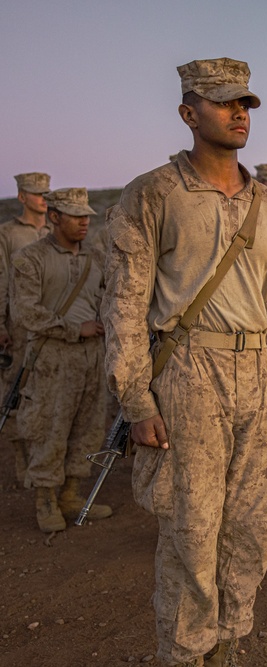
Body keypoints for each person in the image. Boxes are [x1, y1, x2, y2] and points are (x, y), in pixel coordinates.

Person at [102, 57, 267, 666]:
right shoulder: (153, 194)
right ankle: (186, 652)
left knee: (253, 526)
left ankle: (229, 641)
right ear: (188, 113)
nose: (240, 113)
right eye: (225, 102)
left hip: (256, 374)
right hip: (190, 377)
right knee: (191, 530)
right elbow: (125, 305)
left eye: (246, 104)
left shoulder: (265, 201)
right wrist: (136, 400)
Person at [11, 187, 108, 532]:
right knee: (50, 428)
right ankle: (46, 500)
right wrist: (71, 328)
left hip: (93, 357)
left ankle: (71, 494)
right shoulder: (29, 258)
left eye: (86, 216)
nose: (84, 222)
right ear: (54, 217)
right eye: (75, 215)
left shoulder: (96, 258)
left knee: (88, 427)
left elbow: (107, 299)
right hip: (53, 356)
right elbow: (24, 311)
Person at [0, 171, 52, 484]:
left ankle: (44, 459)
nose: (44, 198)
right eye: (37, 193)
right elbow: (2, 278)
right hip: (18, 326)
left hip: (51, 326)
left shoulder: (55, 230)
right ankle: (22, 460)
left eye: (46, 192)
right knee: (18, 389)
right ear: (22, 197)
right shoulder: (7, 234)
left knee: (47, 390)